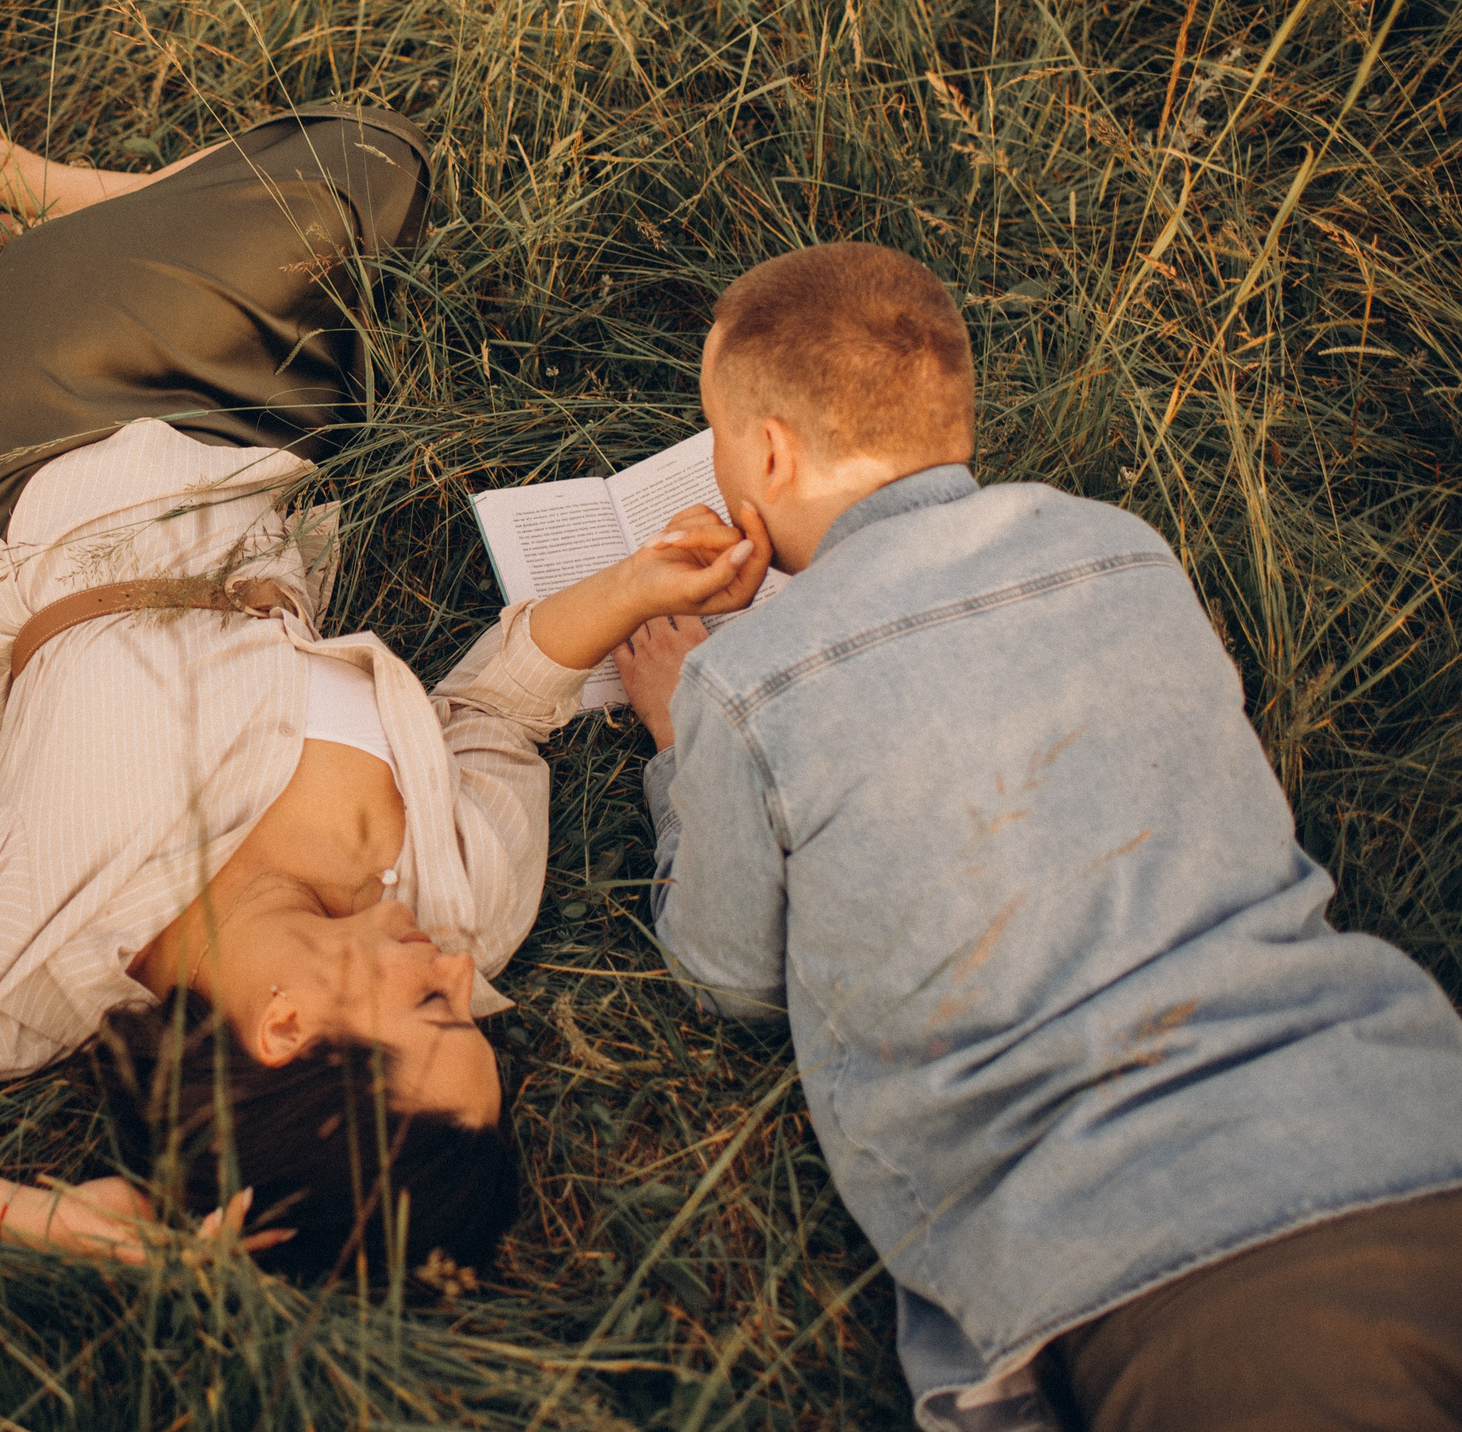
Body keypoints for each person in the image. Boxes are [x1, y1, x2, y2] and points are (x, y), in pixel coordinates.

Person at [0, 67, 765, 1280]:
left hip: (57, 419)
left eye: (433, 1011)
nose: (466, 977)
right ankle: (59, 220)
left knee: (366, 166)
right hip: (269, 452)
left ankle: (14, 190)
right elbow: (496, 712)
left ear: (287, 1030)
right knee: (380, 228)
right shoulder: (472, 909)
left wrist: (30, 1216)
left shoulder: (44, 936)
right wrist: (633, 586)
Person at [610, 242, 1462, 1431]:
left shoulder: (747, 680)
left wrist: (676, 741)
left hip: (1173, 1242)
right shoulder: (1125, 545)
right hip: (1404, 1107)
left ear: (766, 455)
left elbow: (726, 975)